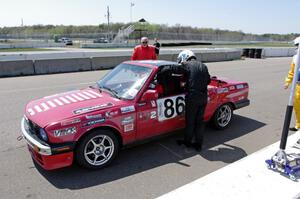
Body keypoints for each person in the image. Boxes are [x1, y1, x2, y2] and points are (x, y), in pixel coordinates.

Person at [160, 50, 211, 151]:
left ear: (185, 57)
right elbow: (208, 80)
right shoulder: (203, 66)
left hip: (192, 97)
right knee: (199, 121)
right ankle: (198, 144)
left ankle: (187, 142)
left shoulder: (187, 64)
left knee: (190, 121)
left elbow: (175, 68)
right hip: (203, 97)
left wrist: (162, 68)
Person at [284, 36, 300, 131]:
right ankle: (298, 125)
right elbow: (292, 72)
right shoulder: (295, 58)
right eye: (296, 46)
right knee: (297, 107)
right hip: (298, 86)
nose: (297, 48)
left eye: (298, 45)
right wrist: (287, 82)